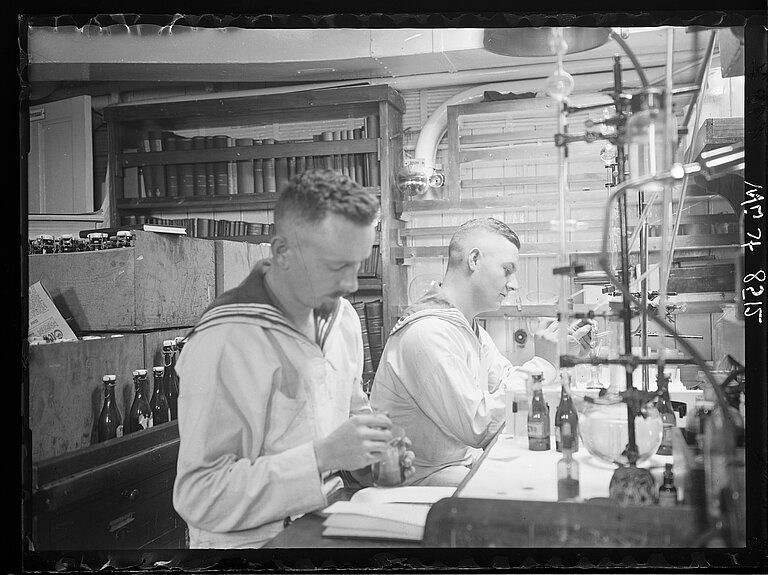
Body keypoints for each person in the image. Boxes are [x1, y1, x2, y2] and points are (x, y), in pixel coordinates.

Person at [173, 169, 413, 549]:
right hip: (252, 544)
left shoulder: (342, 317)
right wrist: (322, 456)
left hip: (325, 525)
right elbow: (200, 494)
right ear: (282, 252)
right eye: (337, 266)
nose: (352, 284)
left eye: (359, 263)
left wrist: (374, 458)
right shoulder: (226, 339)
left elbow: (352, 415)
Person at [369, 217, 592, 487]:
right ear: (474, 259)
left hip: (457, 468)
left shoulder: (467, 328)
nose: (514, 285)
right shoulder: (428, 333)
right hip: (418, 482)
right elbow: (478, 425)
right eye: (507, 270)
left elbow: (506, 389)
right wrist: (543, 364)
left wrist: (560, 359)